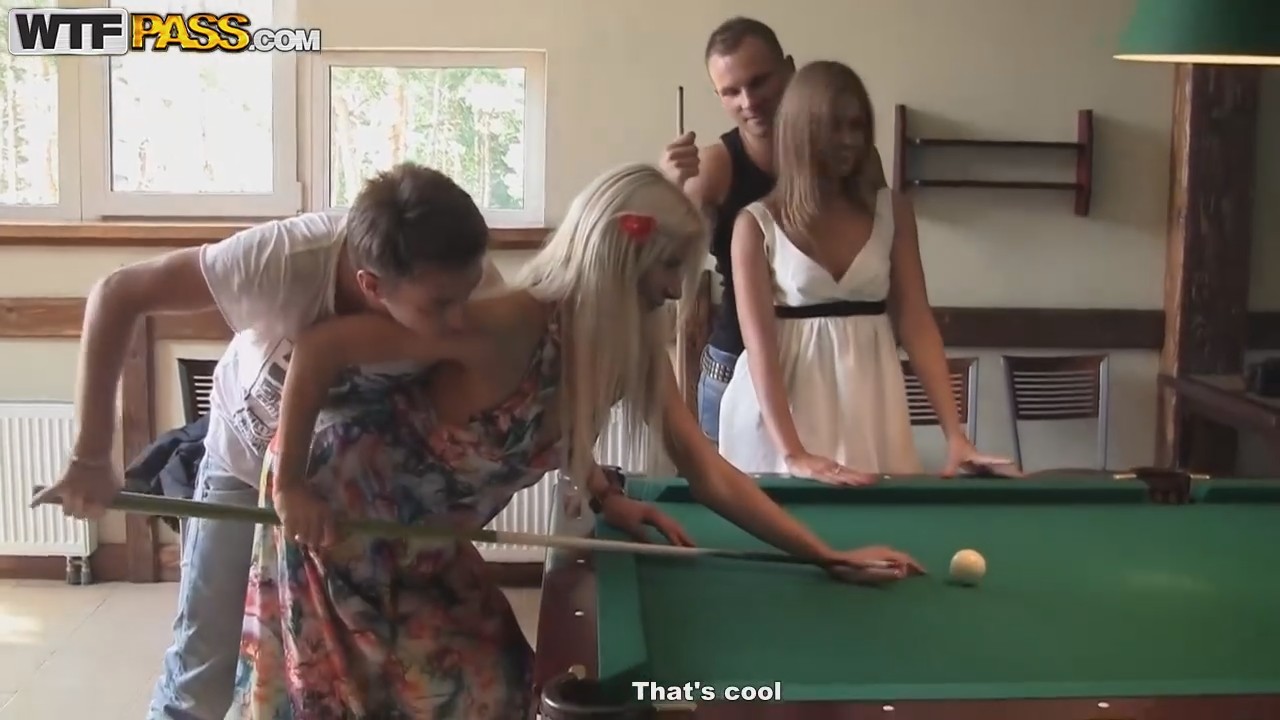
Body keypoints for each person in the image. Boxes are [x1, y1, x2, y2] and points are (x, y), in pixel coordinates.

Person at [230, 163, 926, 719]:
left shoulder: (630, 351)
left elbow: (705, 471)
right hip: (341, 513)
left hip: (425, 540)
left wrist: (823, 554)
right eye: (669, 269)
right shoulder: (505, 322)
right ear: (624, 262)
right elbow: (320, 349)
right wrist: (289, 485)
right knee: (391, 700)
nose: (676, 291)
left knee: (501, 683)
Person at [31, 162, 507, 720]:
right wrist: (90, 455)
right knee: (203, 674)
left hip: (350, 487)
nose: (460, 319)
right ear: (371, 286)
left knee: (362, 674)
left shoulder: (469, 280)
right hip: (243, 458)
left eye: (465, 295)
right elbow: (117, 293)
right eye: (440, 307)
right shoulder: (282, 259)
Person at [716, 61, 1010, 482]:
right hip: (781, 418)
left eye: (857, 126)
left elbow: (917, 323)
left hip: (870, 404)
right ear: (801, 131)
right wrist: (794, 453)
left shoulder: (892, 211)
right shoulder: (755, 223)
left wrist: (955, 435)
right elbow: (760, 347)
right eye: (834, 126)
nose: (849, 140)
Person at [658, 17, 888, 445]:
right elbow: (662, 266)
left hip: (830, 371)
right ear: (718, 96)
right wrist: (670, 191)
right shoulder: (713, 168)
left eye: (759, 82)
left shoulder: (852, 157)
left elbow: (880, 246)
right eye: (731, 91)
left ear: (789, 68)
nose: (749, 102)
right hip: (736, 366)